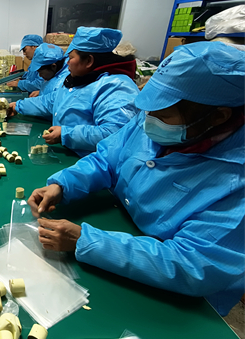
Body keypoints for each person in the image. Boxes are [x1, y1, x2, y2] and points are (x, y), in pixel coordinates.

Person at [27, 42, 245, 316]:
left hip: (180, 307)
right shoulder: (156, 121)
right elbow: (108, 157)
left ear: (218, 116)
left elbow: (192, 264)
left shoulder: (236, 180)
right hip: (127, 227)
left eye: (162, 115)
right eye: (148, 111)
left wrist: (87, 240)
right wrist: (63, 184)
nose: (147, 121)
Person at [8, 27, 139, 157]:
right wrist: (18, 106)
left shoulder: (116, 88)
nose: (67, 63)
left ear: (88, 61)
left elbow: (114, 134)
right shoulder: (79, 80)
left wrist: (66, 134)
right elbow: (51, 101)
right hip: (69, 152)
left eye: (71, 58)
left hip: (92, 161)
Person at [8, 43, 67, 116]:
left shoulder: (63, 81)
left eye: (40, 72)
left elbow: (49, 104)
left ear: (53, 66)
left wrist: (19, 106)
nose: (40, 75)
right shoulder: (54, 75)